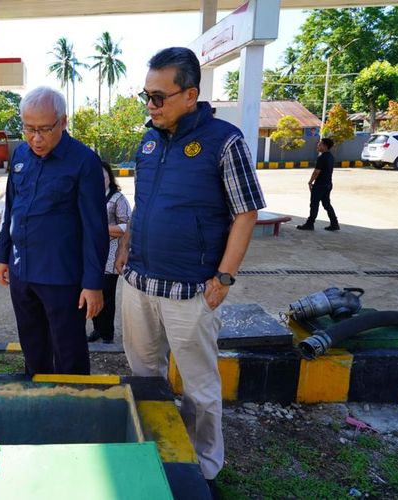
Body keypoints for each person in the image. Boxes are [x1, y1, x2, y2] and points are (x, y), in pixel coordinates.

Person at [114, 48, 265, 487]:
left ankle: (204, 469)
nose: (150, 105)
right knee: (145, 377)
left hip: (191, 292)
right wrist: (125, 245)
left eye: (159, 97)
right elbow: (143, 204)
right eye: (146, 95)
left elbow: (246, 212)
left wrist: (224, 277)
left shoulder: (225, 141)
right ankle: (154, 452)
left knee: (199, 388)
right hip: (139, 283)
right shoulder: (147, 139)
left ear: (190, 94)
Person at [0, 86, 108, 376]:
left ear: (63, 121)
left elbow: (95, 228)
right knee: (33, 348)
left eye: (44, 129)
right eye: (28, 128)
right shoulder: (21, 155)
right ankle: (39, 405)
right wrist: (2, 255)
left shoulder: (83, 162)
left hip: (62, 277)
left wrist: (93, 283)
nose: (36, 138)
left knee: (68, 352)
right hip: (23, 273)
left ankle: (73, 409)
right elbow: (12, 209)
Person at [87, 162, 131, 345]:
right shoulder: (87, 197)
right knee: (91, 291)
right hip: (90, 253)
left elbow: (127, 225)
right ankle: (97, 328)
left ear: (109, 178)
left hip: (110, 253)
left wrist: (100, 229)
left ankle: (107, 333)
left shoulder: (118, 199)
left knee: (107, 295)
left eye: (103, 177)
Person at [297, 137, 339, 231]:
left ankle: (310, 224)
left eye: (320, 144)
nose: (318, 145)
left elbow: (316, 172)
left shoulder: (322, 157)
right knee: (327, 204)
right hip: (328, 184)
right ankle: (334, 223)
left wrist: (310, 181)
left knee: (314, 204)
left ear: (325, 146)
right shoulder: (331, 157)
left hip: (320, 185)